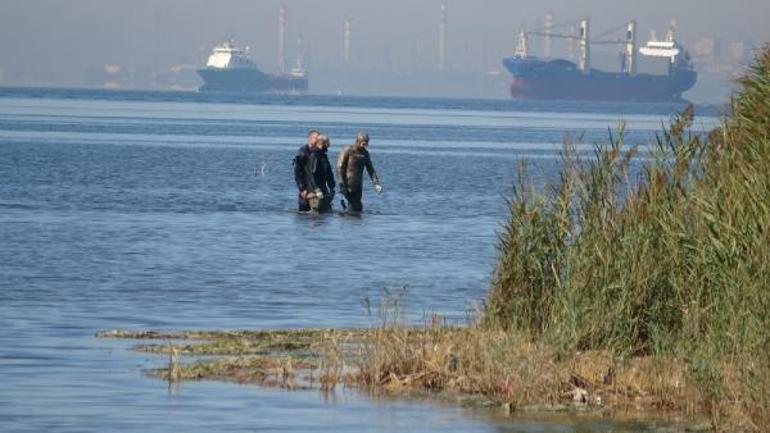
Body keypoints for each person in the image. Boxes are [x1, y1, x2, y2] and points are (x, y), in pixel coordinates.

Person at [336, 131, 383, 213]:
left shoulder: (365, 153)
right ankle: (346, 223)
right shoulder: (348, 150)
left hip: (358, 186)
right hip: (347, 184)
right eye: (363, 143)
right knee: (351, 209)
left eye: (366, 144)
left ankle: (355, 224)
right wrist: (341, 184)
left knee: (357, 209)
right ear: (357, 141)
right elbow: (340, 168)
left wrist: (376, 184)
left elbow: (370, 169)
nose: (365, 146)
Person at [307, 134, 336, 213]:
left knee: (327, 215)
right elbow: (311, 174)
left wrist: (332, 187)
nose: (329, 145)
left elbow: (329, 173)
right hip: (314, 192)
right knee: (316, 216)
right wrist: (316, 189)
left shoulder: (324, 156)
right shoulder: (314, 155)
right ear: (321, 143)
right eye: (327, 143)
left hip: (324, 191)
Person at [293, 129, 319, 212]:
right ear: (310, 139)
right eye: (317, 139)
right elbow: (298, 172)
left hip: (314, 187)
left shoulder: (317, 152)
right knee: (304, 212)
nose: (319, 141)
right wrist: (302, 188)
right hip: (305, 187)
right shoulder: (302, 153)